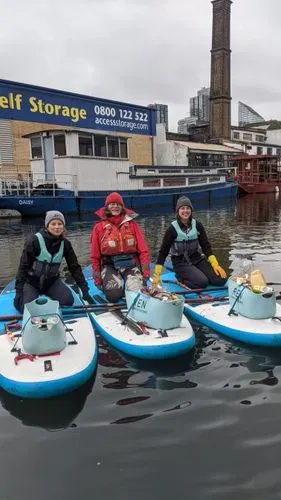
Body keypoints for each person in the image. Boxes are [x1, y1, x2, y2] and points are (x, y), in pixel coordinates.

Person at [14, 210, 93, 313]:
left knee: (68, 301)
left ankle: (50, 294)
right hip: (31, 283)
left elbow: (74, 268)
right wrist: (18, 292)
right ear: (47, 226)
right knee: (26, 309)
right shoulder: (34, 241)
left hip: (51, 283)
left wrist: (84, 289)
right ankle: (28, 296)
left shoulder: (66, 244)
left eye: (60, 224)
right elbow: (23, 267)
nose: (57, 227)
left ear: (63, 226)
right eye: (53, 224)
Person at [152, 196, 227, 290]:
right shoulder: (172, 229)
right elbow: (163, 252)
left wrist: (215, 264)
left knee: (221, 279)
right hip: (181, 263)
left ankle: (198, 273)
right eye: (182, 208)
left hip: (197, 259)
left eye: (188, 208)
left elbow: (206, 246)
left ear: (191, 210)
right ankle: (181, 278)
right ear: (178, 211)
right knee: (202, 282)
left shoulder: (198, 225)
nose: (185, 211)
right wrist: (157, 274)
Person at [90, 192, 150, 303]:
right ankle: (111, 287)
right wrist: (97, 278)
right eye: (111, 204)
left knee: (138, 294)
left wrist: (145, 271)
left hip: (130, 264)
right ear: (106, 207)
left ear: (122, 207)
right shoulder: (98, 227)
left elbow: (143, 250)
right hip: (110, 265)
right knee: (113, 296)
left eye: (118, 204)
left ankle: (131, 285)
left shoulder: (132, 225)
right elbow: (95, 256)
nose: (115, 206)